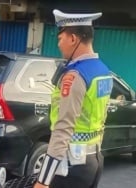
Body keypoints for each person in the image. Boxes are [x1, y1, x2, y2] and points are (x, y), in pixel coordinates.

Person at [34, 9, 113, 188]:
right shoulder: (103, 71)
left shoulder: (76, 75)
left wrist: (43, 181)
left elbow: (63, 128)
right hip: (94, 159)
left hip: (72, 165)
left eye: (60, 39)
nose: (59, 44)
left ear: (73, 39)